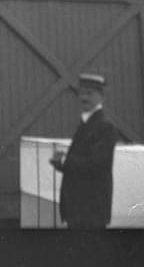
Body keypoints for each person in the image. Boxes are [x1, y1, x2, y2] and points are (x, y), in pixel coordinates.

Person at [50, 72, 118, 229]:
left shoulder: (105, 126)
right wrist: (60, 164)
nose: (84, 98)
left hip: (91, 209)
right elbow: (81, 163)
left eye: (90, 93)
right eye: (81, 93)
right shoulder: (86, 123)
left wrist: (65, 161)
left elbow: (97, 164)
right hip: (79, 208)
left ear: (101, 96)